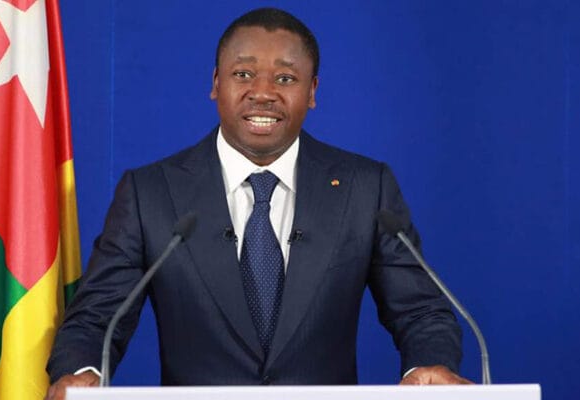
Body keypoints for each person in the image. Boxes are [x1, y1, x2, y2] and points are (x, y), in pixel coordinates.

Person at [45, 7, 469, 399]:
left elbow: (420, 312)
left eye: (285, 78)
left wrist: (427, 365)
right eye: (243, 74)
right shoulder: (150, 193)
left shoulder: (365, 187)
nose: (262, 93)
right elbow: (96, 318)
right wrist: (82, 373)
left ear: (312, 91)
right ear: (216, 83)